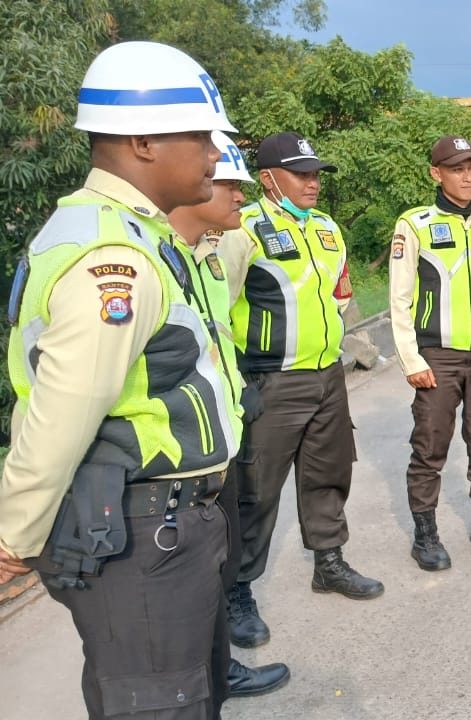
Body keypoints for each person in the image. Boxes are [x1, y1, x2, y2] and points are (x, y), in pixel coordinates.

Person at [0, 41, 238, 718]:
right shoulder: (115, 256)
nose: (215, 154)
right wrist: (13, 538)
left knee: (172, 693)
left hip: (157, 521)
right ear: (142, 142)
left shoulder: (131, 233)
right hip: (139, 530)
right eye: (201, 136)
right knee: (159, 703)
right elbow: (65, 408)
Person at [218, 131, 384, 650]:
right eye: (300, 174)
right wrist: (235, 380)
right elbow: (216, 308)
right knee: (255, 491)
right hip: (270, 380)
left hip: (327, 375)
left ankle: (328, 562)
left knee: (328, 474)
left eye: (315, 174)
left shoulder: (328, 229)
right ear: (268, 178)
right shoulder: (242, 229)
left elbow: (340, 296)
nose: (312, 183)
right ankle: (236, 591)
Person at [167, 131, 291, 697]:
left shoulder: (205, 258)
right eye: (229, 184)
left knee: (218, 554)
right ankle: (196, 681)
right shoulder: (153, 259)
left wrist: (238, 388)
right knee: (184, 575)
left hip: (220, 433)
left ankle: (218, 668)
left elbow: (218, 337)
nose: (240, 196)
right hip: (173, 453)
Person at [387, 135, 471, 571]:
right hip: (437, 357)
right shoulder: (415, 224)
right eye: (457, 169)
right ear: (437, 173)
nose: (468, 177)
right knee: (430, 446)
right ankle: (425, 535)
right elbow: (399, 299)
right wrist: (411, 359)